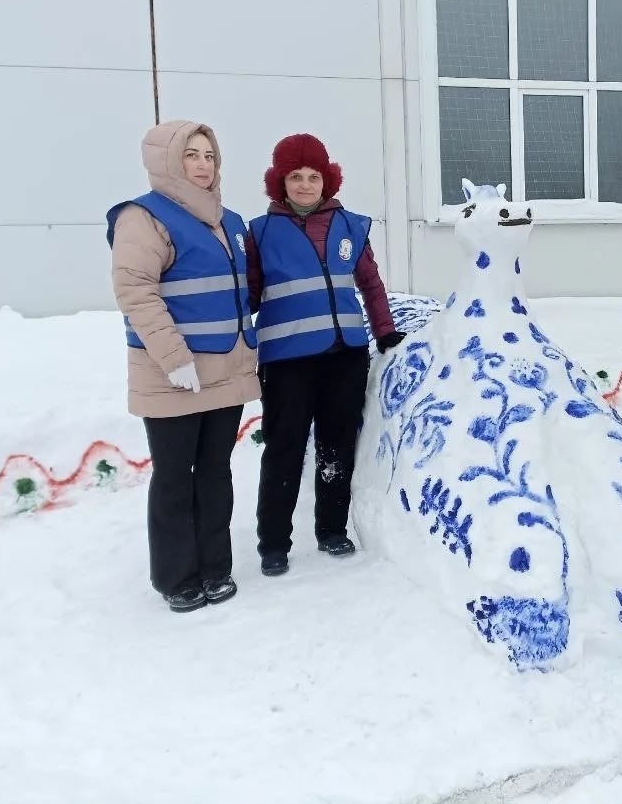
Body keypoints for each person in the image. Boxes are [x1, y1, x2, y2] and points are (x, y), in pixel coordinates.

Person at [108, 121, 260, 614]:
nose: (202, 164)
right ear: (167, 161)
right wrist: (174, 359)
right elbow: (136, 292)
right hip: (171, 375)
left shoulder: (230, 222)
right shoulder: (144, 218)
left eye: (209, 155)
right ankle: (177, 577)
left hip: (226, 369)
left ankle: (215, 568)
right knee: (175, 477)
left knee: (215, 472)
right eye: (191, 155)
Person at [246, 134, 405, 576]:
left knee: (337, 444)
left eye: (313, 176)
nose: (304, 185)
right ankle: (273, 542)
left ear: (327, 179)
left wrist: (384, 331)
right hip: (286, 361)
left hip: (344, 355)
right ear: (280, 182)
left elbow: (370, 283)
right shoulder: (259, 232)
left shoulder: (351, 226)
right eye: (295, 176)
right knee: (284, 447)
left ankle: (332, 529)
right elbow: (249, 296)